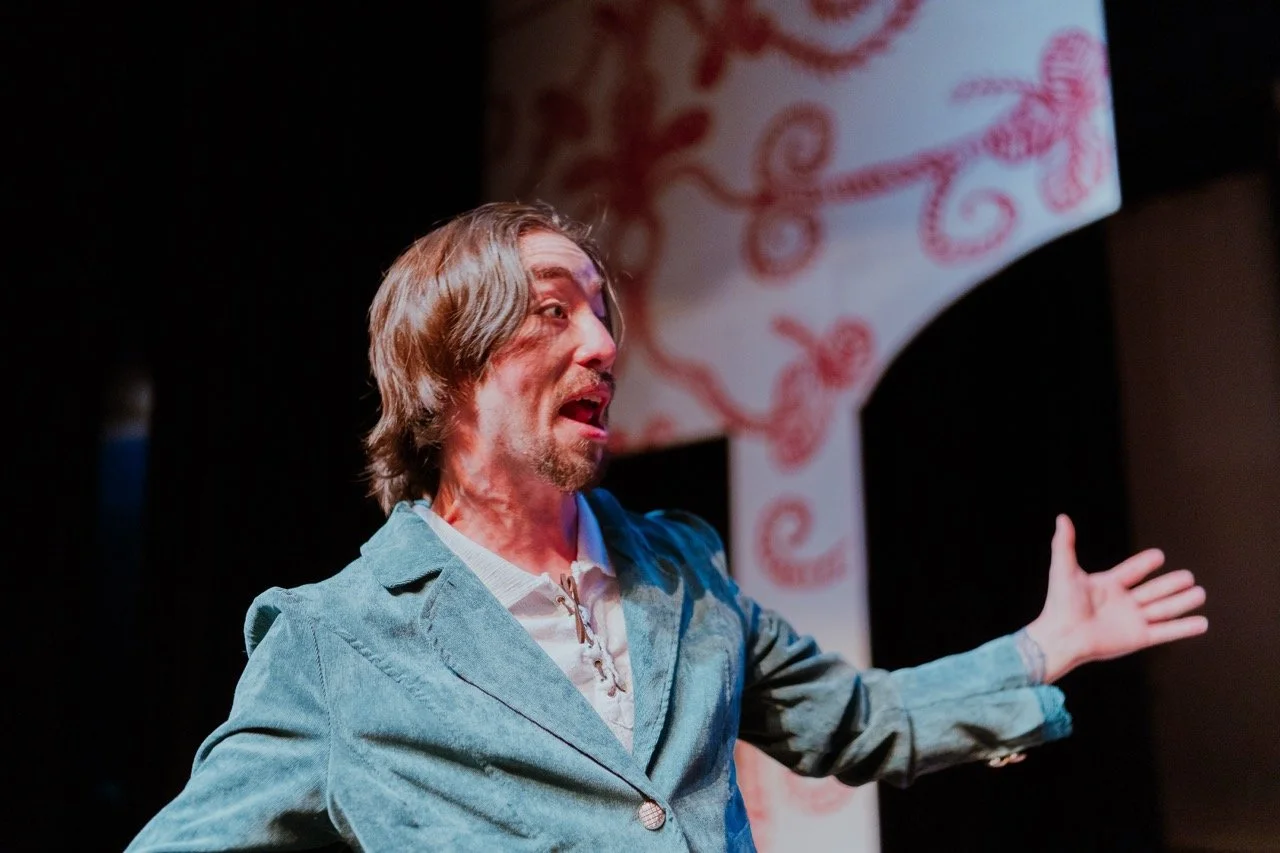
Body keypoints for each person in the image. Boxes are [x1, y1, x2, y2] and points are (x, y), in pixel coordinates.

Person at [127, 202, 1208, 852]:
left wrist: (1038, 650)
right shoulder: (337, 640)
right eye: (554, 311)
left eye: (602, 312)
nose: (601, 344)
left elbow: (858, 719)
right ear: (448, 365)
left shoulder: (680, 569)